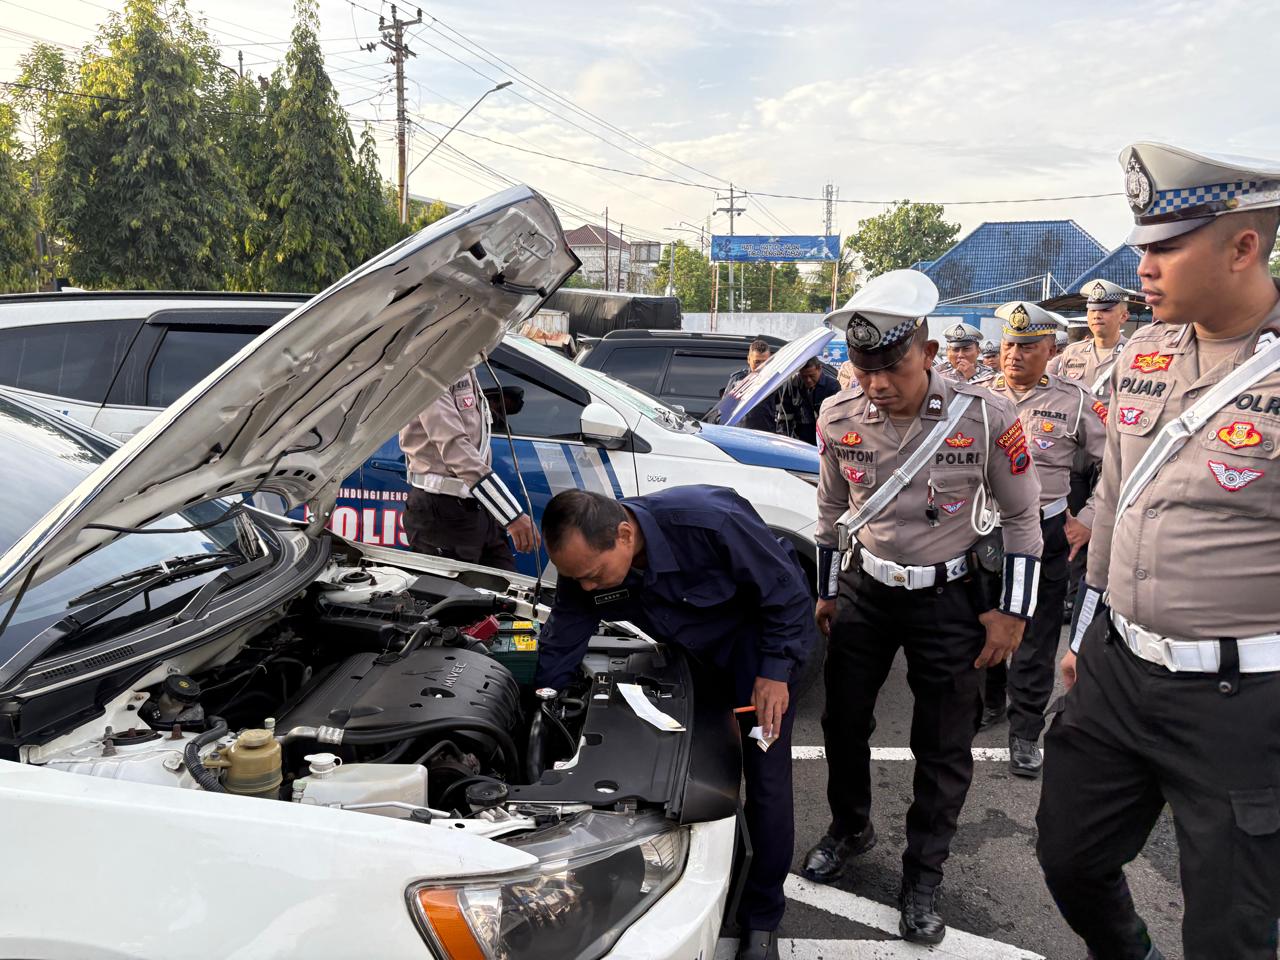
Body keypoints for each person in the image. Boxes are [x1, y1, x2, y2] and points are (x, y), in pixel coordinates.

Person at [1036, 142, 1280, 960]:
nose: (1143, 266)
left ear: (1242, 247)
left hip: (1242, 697)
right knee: (1069, 859)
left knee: (1231, 932)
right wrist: (1084, 633)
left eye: (1166, 246)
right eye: (1142, 244)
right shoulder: (1144, 353)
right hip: (1118, 666)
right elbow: (1114, 496)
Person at [801, 270, 1043, 945]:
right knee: (843, 722)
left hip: (950, 598)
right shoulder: (836, 416)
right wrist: (826, 589)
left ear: (929, 353)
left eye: (894, 366)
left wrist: (1012, 613)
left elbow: (1024, 521)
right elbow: (828, 511)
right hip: (865, 591)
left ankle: (924, 873)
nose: (878, 382)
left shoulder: (986, 414)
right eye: (864, 366)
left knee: (942, 743)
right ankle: (850, 829)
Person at [533, 485, 814, 960]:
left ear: (625, 533)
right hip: (690, 665)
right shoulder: (586, 566)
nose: (586, 587)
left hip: (754, 664)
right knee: (690, 781)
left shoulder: (710, 523)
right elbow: (566, 632)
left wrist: (775, 673)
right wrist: (542, 699)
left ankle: (762, 918)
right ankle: (692, 880)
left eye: (594, 575)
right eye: (575, 577)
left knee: (765, 784)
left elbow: (786, 596)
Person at [978, 301, 1106, 776]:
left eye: (1028, 346)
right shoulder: (970, 396)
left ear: (1051, 349)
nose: (1014, 355)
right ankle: (988, 704)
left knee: (1036, 632)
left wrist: (1089, 516)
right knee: (980, 620)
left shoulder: (1076, 401)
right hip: (983, 528)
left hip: (1046, 529)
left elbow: (1116, 463)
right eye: (1010, 345)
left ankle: (1025, 730)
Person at [398, 364, 539, 570]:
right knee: (455, 598)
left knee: (503, 590)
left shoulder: (465, 362)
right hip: (442, 511)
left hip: (478, 507)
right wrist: (511, 515)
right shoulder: (432, 365)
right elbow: (455, 447)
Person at [1049, 278, 1133, 398]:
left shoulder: (1134, 353)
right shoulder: (1072, 352)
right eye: (1092, 310)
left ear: (1124, 316)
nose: (1097, 316)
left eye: (1105, 310)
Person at [777, 356, 841, 444]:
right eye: (804, 376)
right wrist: (783, 439)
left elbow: (837, 419)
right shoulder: (793, 384)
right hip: (799, 440)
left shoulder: (832, 386)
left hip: (824, 440)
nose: (808, 380)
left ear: (820, 369)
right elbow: (784, 416)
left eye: (812, 376)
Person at [725, 337, 779, 432]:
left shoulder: (776, 380)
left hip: (766, 435)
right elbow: (725, 409)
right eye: (757, 362)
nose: (761, 366)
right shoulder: (737, 380)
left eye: (765, 362)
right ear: (749, 359)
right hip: (741, 434)